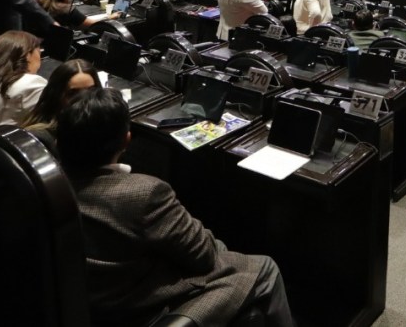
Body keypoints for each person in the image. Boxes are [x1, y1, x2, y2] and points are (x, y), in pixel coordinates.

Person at [56, 89, 294, 327]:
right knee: (265, 267)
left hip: (85, 302)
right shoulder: (144, 193)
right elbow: (204, 257)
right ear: (126, 140)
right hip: (141, 310)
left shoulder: (46, 186)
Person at [21, 58, 98, 151]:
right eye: (72, 94)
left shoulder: (98, 127)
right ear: (56, 97)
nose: (84, 99)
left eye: (91, 91)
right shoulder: (39, 139)